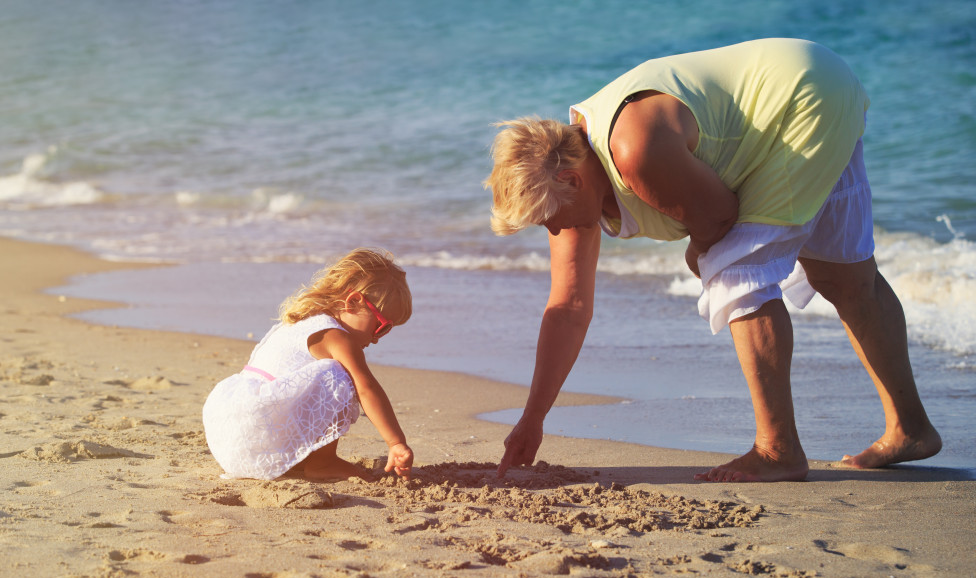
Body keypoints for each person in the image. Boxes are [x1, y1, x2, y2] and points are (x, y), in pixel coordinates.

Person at [485, 38, 941, 482]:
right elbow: (568, 308)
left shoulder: (633, 151)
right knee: (844, 277)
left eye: (547, 219)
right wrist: (533, 418)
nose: (552, 230)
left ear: (572, 181)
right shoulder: (575, 183)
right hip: (819, 80)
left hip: (801, 101)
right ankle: (911, 429)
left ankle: (777, 450)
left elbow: (719, 220)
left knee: (735, 273)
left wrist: (700, 254)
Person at [202, 248, 414, 481]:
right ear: (353, 302)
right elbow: (367, 388)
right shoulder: (337, 337)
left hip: (232, 437)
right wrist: (396, 442)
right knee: (340, 375)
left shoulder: (303, 320)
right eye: (381, 326)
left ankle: (302, 459)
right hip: (255, 433)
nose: (376, 338)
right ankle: (323, 464)